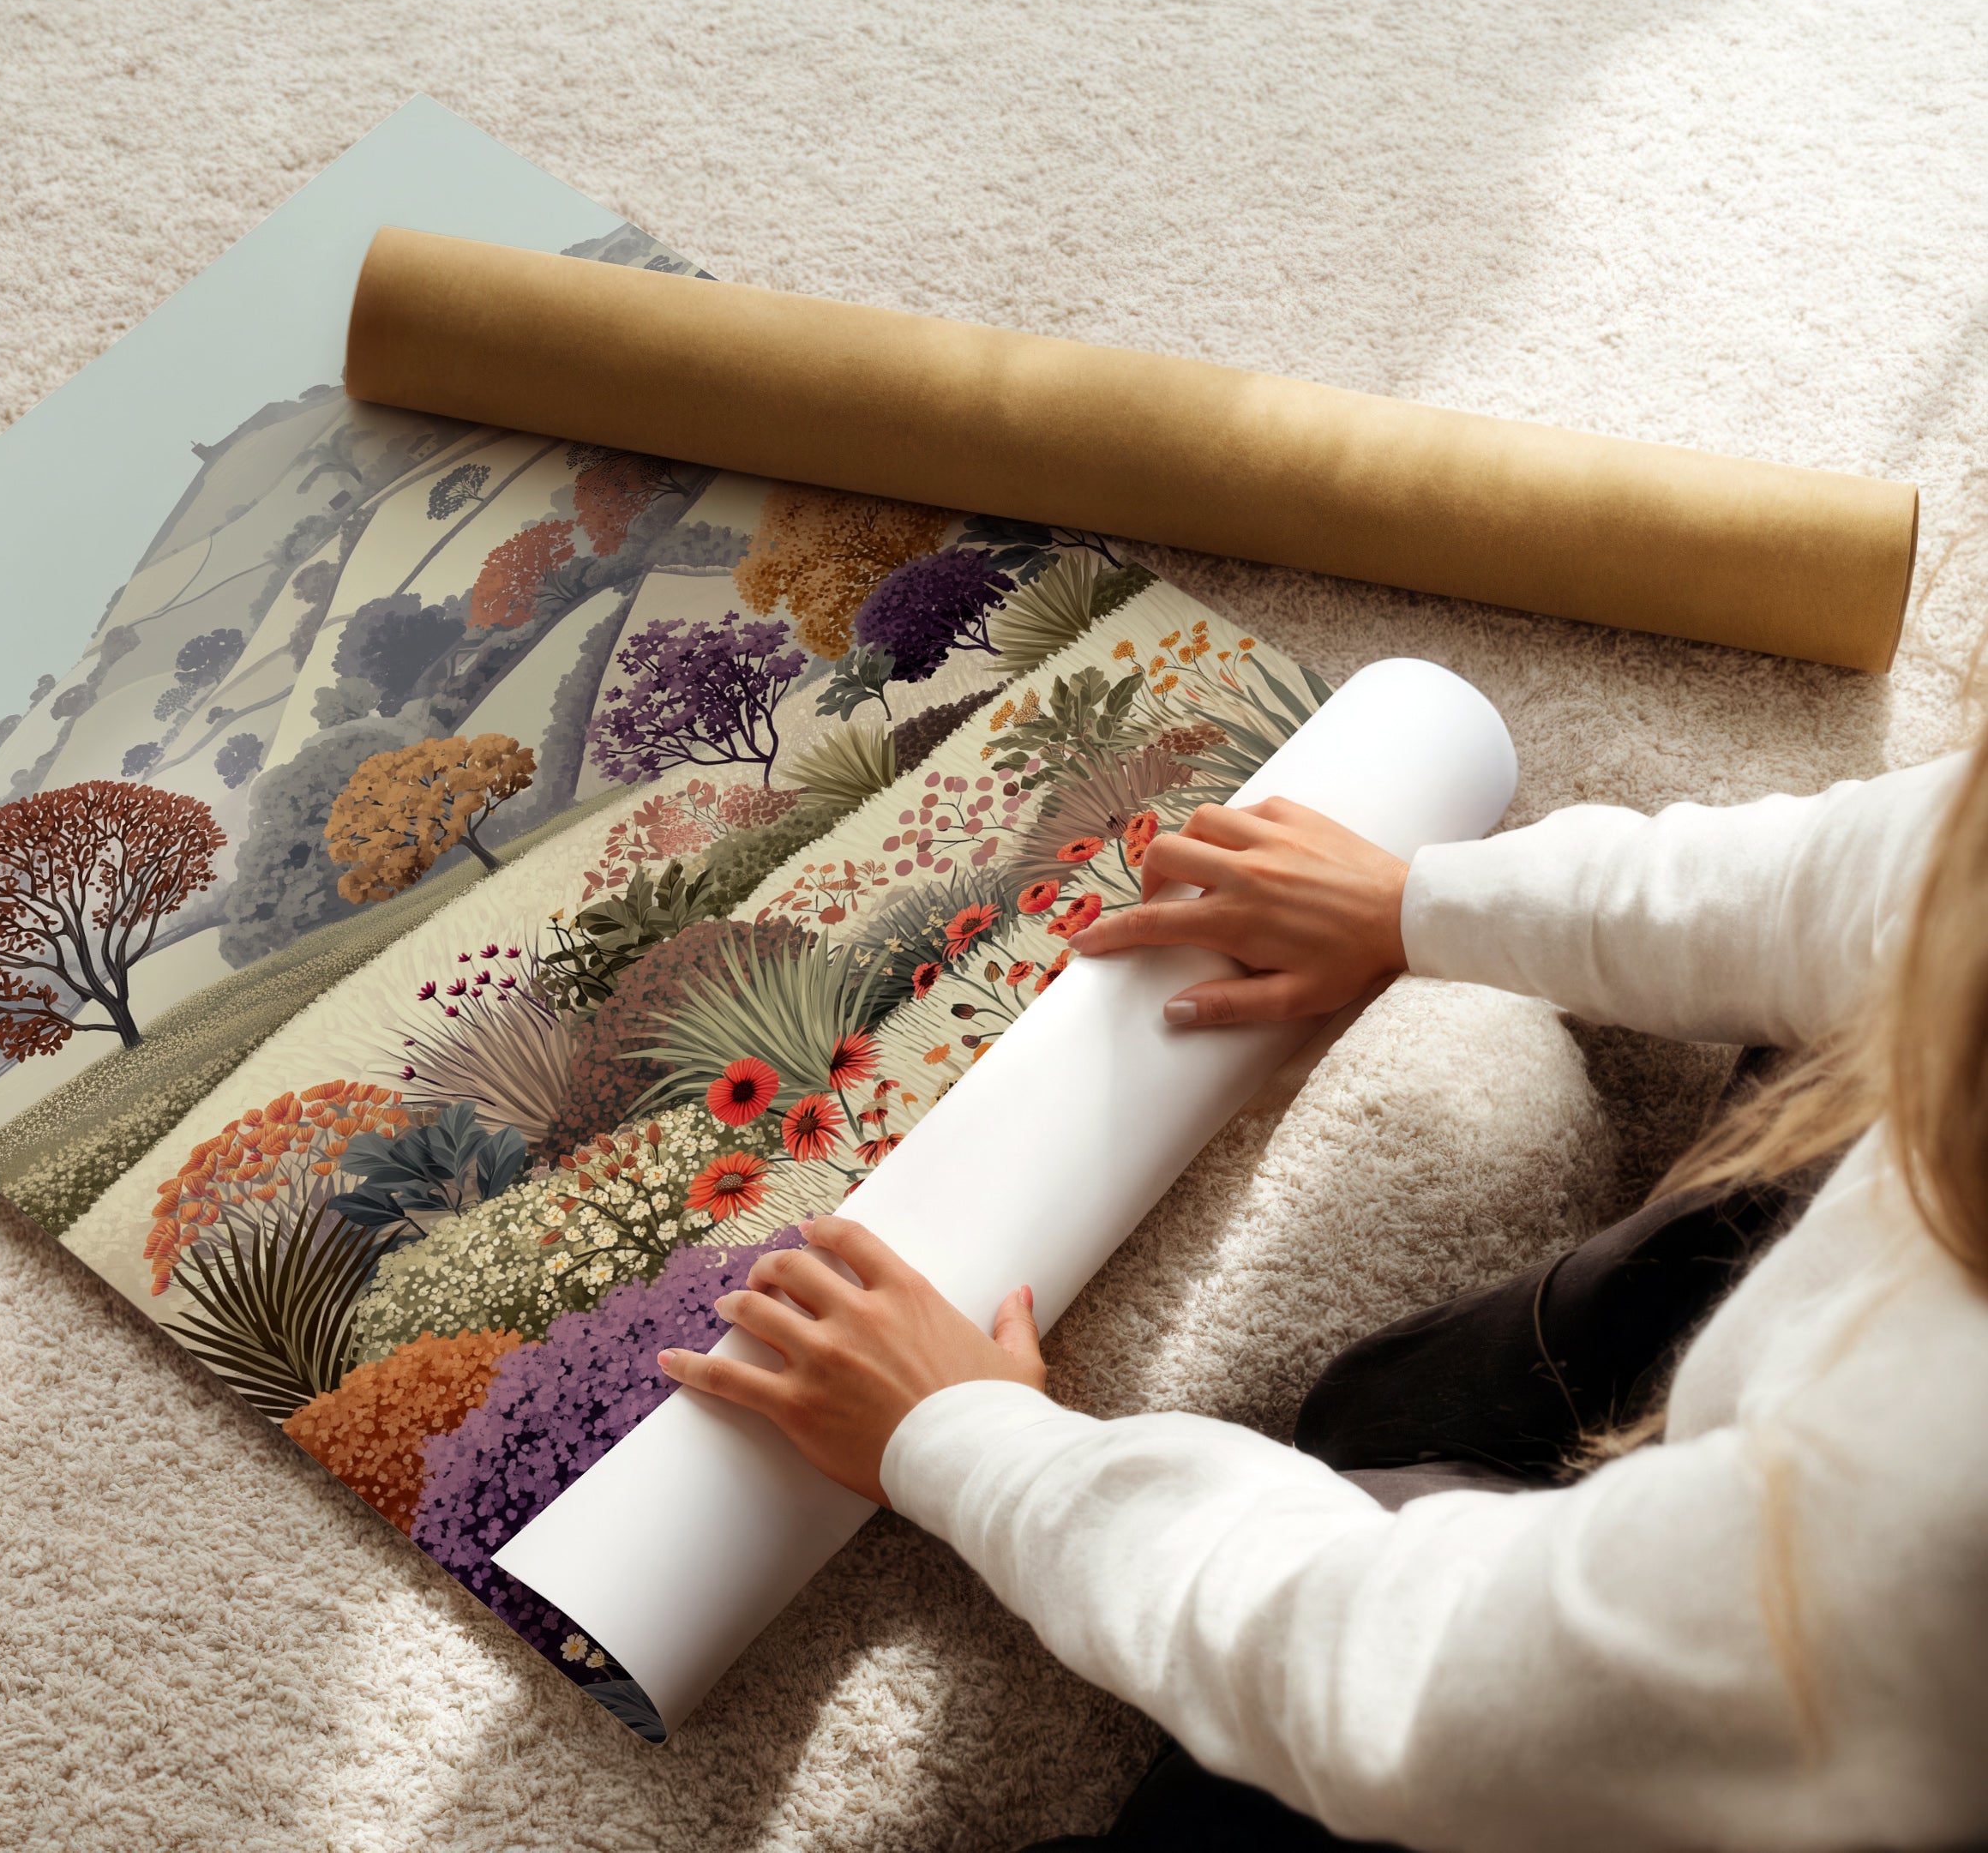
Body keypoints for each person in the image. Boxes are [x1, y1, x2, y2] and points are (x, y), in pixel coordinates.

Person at [658, 749, 1988, 1850]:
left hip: (1794, 1721)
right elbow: (1880, 875)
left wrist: (971, 1444)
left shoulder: (1926, 1522)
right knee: (1390, 1405)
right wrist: (1416, 903)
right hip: (1803, 1465)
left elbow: (1415, 1684)